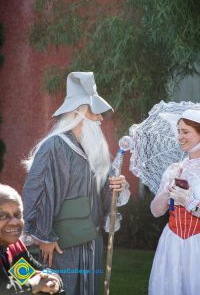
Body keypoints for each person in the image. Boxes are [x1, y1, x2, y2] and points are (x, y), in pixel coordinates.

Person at [22, 72, 130, 295]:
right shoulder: (53, 147)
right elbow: (37, 192)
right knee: (61, 289)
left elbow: (105, 198)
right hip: (61, 245)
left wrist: (117, 185)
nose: (100, 118)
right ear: (78, 112)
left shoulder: (95, 151)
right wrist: (44, 236)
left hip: (91, 242)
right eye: (94, 112)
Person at [149, 109, 200, 295]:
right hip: (172, 242)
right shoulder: (175, 169)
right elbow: (156, 211)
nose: (180, 137)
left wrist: (188, 201)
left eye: (185, 132)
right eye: (178, 131)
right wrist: (166, 190)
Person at [0, 183, 64, 295]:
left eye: (18, 215)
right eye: (2, 216)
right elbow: (4, 289)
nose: (15, 222)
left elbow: (33, 271)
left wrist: (53, 281)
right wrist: (35, 284)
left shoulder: (13, 246)